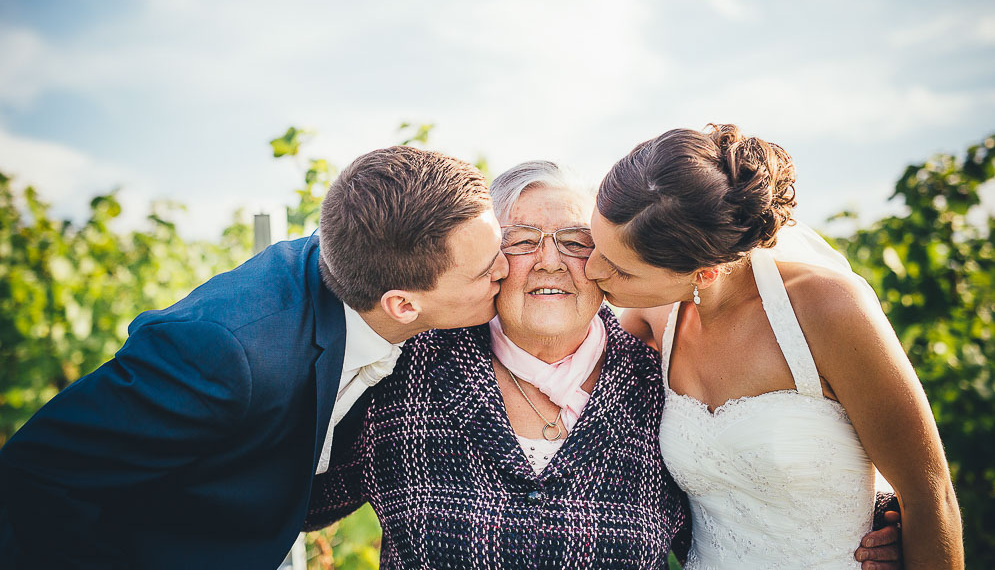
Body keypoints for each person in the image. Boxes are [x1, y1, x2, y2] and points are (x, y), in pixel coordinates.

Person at [305, 161, 905, 569]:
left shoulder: (660, 380)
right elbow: (300, 501)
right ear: (488, 258)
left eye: (573, 239)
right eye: (521, 240)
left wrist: (875, 510)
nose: (550, 261)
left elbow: (737, 480)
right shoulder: (411, 370)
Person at [0, 146, 509, 570]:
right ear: (402, 305)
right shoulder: (225, 352)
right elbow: (33, 481)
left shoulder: (377, 272)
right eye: (487, 270)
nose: (508, 269)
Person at [585, 125, 964, 569]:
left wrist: (886, 514)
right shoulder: (655, 319)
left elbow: (928, 494)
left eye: (620, 269)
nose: (592, 269)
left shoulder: (826, 310)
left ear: (706, 272)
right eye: (594, 243)